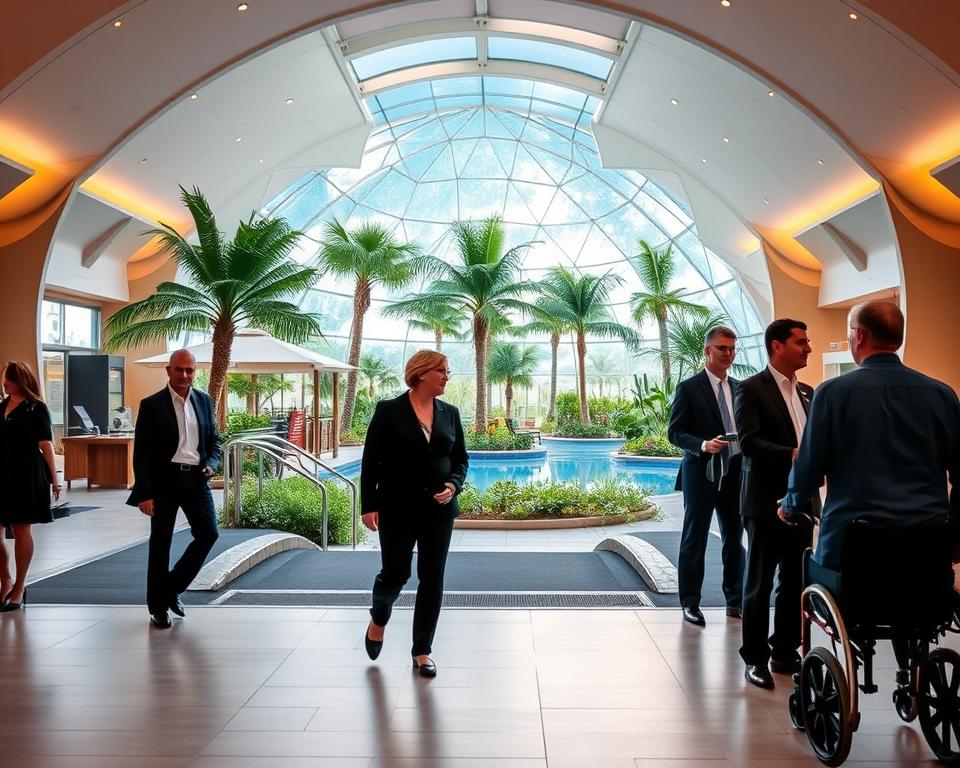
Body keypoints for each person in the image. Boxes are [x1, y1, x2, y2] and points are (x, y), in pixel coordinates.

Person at [780, 301, 960, 568]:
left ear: (860, 335)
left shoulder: (832, 394)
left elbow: (809, 465)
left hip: (854, 545)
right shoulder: (942, 394)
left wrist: (790, 504)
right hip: (927, 542)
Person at [361, 350, 468, 678]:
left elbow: (461, 459)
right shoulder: (389, 411)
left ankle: (422, 650)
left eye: (447, 371)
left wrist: (453, 484)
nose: (447, 376)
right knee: (395, 574)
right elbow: (371, 460)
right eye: (442, 371)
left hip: (439, 511)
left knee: (432, 578)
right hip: (397, 508)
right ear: (421, 373)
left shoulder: (450, 413)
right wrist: (368, 505)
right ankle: (379, 616)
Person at [735, 318, 819, 689]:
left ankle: (784, 652)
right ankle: (754, 659)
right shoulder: (751, 389)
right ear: (777, 346)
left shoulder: (809, 393)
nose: (808, 348)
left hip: (802, 502)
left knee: (795, 582)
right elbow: (749, 443)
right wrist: (795, 454)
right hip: (765, 502)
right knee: (759, 583)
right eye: (801, 342)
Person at [127, 349, 221, 629]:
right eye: (179, 370)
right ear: (168, 371)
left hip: (196, 479)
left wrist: (211, 463)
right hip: (164, 481)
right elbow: (141, 453)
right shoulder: (152, 405)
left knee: (208, 534)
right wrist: (144, 493)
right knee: (161, 544)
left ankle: (171, 588)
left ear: (195, 372)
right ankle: (157, 607)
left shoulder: (204, 401)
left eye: (189, 370)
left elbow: (215, 440)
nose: (184, 375)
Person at [668, 325, 745, 626]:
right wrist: (702, 445)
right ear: (707, 351)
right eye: (722, 348)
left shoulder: (740, 388)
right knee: (694, 537)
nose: (728, 354)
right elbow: (675, 432)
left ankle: (735, 600)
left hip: (736, 472)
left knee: (734, 537)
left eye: (732, 349)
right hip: (702, 472)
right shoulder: (689, 387)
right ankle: (690, 602)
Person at [0, 361, 61, 612]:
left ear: (21, 381)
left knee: (21, 528)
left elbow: (45, 445)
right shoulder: (1, 407)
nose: (5, 384)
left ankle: (20, 585)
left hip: (26, 473)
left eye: (9, 380)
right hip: (1, 473)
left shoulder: (37, 408)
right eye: (4, 380)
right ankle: (6, 579)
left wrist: (54, 479)